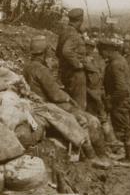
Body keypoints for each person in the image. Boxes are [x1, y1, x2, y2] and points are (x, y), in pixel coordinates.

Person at [24, 35, 110, 168]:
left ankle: (98, 155)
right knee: (89, 120)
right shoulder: (40, 69)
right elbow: (55, 95)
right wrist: (69, 98)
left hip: (38, 104)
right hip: (47, 106)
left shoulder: (28, 66)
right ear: (44, 52)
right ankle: (93, 156)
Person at [98, 38, 130, 165]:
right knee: (127, 128)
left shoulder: (115, 64)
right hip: (125, 100)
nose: (101, 54)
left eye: (102, 52)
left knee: (125, 130)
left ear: (108, 51)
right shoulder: (120, 60)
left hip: (121, 102)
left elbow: (121, 89)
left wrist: (110, 101)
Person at [84, 39, 120, 148]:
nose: (88, 49)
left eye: (90, 47)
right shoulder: (97, 61)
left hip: (93, 93)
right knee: (102, 118)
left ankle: (107, 142)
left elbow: (95, 79)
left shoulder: (89, 61)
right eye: (87, 46)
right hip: (97, 93)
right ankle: (110, 141)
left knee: (97, 118)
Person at [56, 8, 87, 109]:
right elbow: (66, 51)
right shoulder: (74, 34)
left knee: (70, 103)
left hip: (65, 73)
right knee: (79, 105)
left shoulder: (64, 32)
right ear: (80, 20)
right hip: (75, 74)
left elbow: (58, 52)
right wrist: (78, 64)